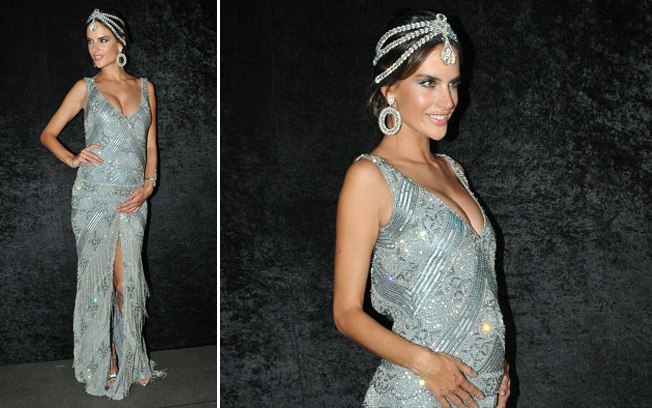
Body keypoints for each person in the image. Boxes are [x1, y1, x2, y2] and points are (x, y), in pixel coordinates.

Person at [333, 9, 510, 408]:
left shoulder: (453, 170)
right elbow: (346, 313)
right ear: (390, 89)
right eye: (428, 83)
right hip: (418, 392)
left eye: (453, 83)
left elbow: (479, 286)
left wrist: (499, 363)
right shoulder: (369, 177)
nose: (448, 100)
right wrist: (427, 364)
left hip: (478, 391)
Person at [40, 9, 164, 400]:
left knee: (128, 282)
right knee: (99, 283)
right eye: (91, 42)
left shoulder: (145, 87)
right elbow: (48, 133)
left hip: (132, 199)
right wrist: (72, 158)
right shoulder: (85, 88)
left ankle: (133, 357)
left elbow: (150, 145)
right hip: (93, 198)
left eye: (103, 40)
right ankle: (105, 358)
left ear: (121, 42)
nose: (95, 49)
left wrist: (149, 186)